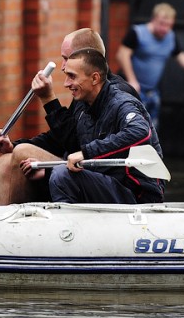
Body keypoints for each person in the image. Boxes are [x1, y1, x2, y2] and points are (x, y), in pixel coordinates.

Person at [0, 29, 162, 205]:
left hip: (130, 188)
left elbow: (139, 132)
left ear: (89, 65)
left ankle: (62, 226)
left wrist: (48, 99)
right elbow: (67, 140)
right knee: (6, 159)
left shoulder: (121, 98)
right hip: (96, 175)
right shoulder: (85, 98)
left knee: (47, 166)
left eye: (68, 62)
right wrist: (14, 144)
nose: (64, 76)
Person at [46, 48, 164, 204]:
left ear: (95, 78)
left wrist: (86, 153)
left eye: (72, 76)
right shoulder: (83, 108)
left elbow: (140, 131)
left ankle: (65, 225)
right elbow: (70, 147)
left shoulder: (122, 103)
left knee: (61, 176)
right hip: (106, 183)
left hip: (138, 195)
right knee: (53, 174)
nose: (66, 83)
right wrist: (44, 171)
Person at [116, 3, 184, 127]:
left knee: (152, 129)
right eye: (162, 24)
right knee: (133, 128)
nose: (165, 29)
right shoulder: (138, 33)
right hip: (133, 91)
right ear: (153, 19)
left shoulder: (170, 38)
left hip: (152, 92)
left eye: (169, 25)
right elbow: (122, 55)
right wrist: (132, 80)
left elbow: (182, 58)